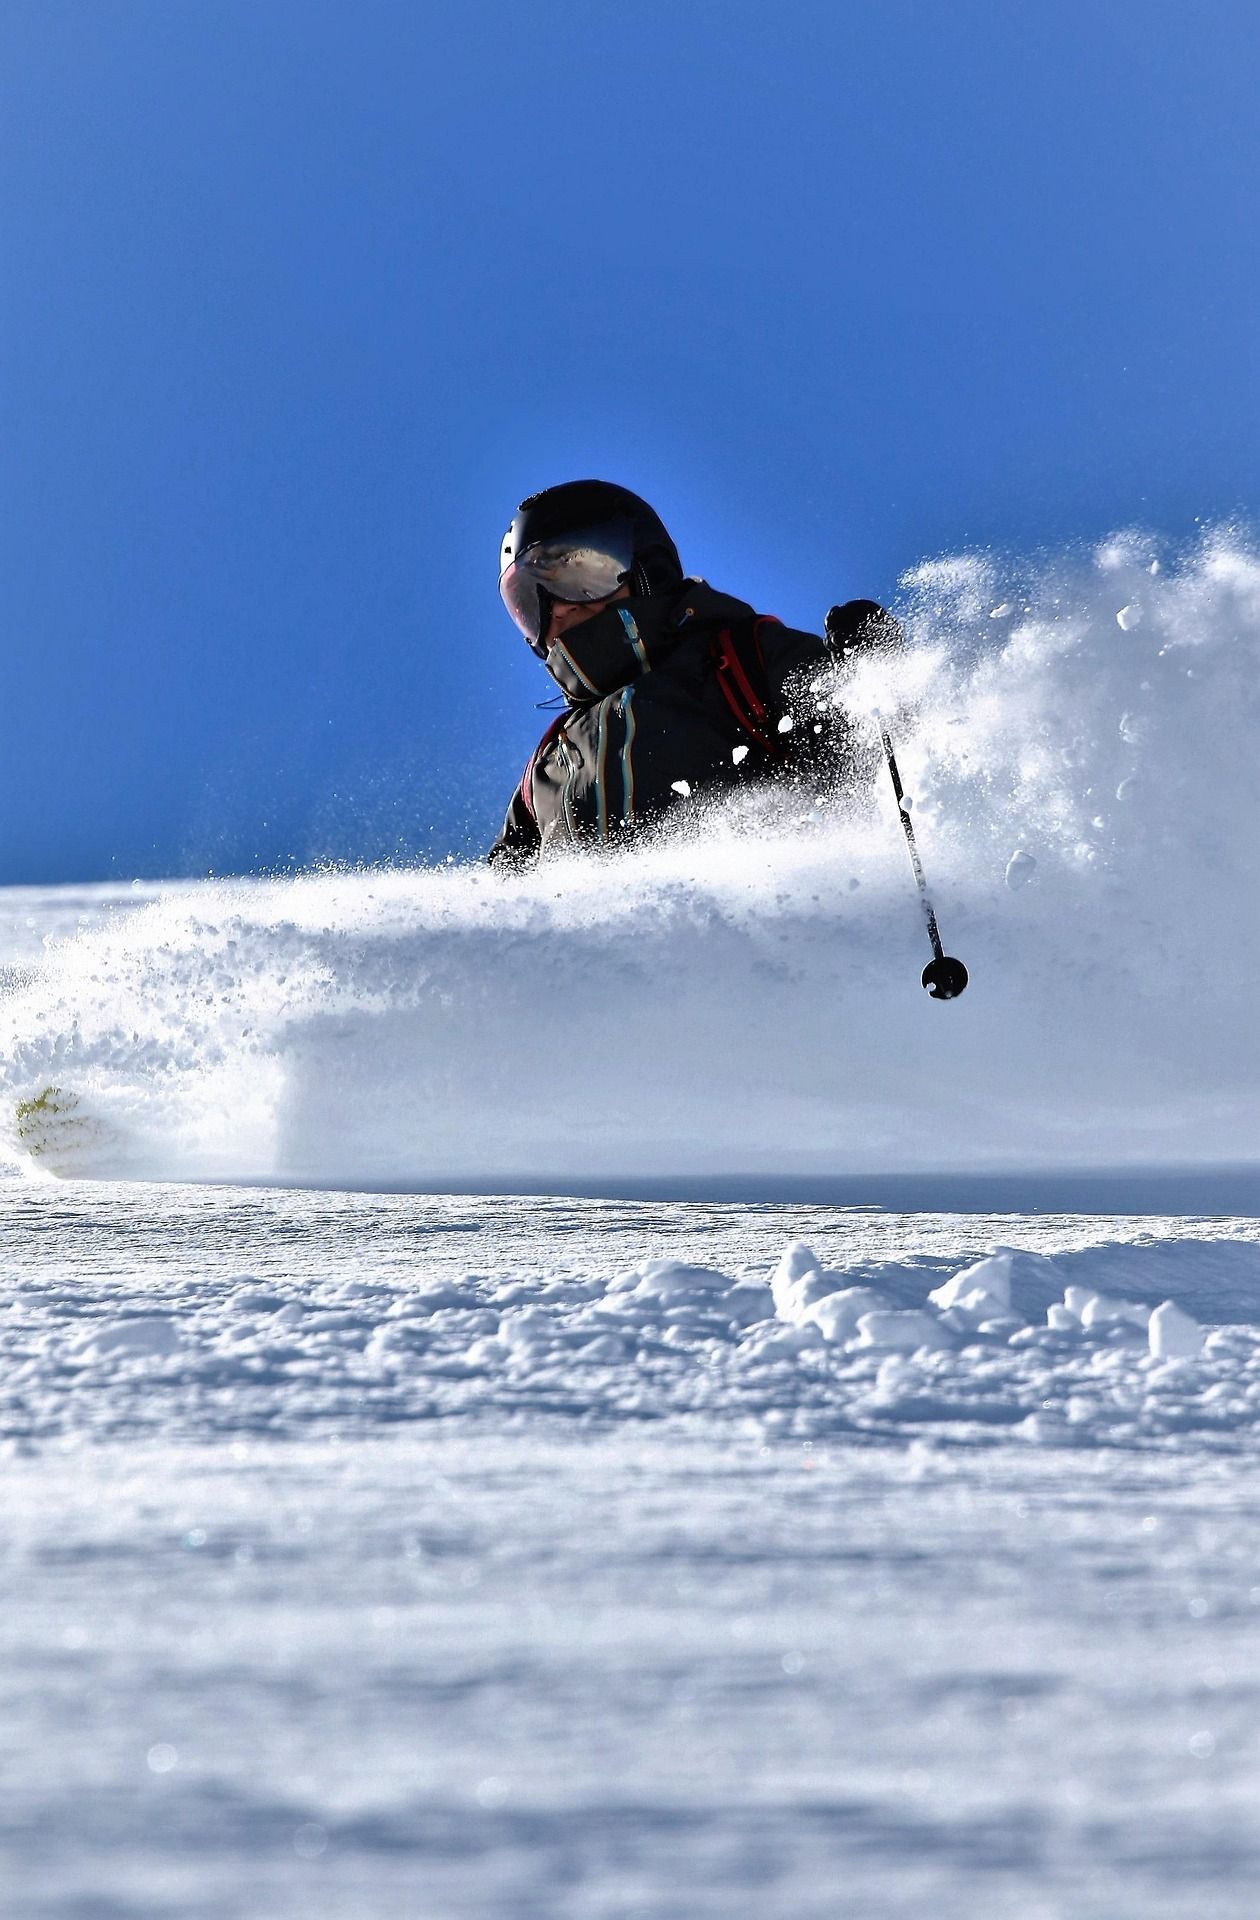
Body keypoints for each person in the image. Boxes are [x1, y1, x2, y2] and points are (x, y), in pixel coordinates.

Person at [489, 479, 899, 869]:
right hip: (605, 922)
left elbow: (883, 760)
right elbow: (499, 904)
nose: (558, 608)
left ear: (647, 567)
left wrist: (873, 674)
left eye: (579, 577)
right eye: (530, 601)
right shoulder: (547, 767)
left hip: (789, 907)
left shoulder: (744, 660)